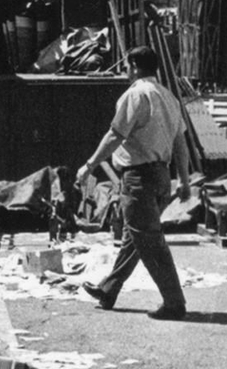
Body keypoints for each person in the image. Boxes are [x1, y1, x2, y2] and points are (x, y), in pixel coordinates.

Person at [74, 47, 190, 320]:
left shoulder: (136, 95)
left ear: (135, 66)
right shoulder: (169, 97)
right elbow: (180, 144)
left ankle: (174, 303)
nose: (125, 71)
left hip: (139, 178)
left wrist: (89, 165)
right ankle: (109, 289)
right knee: (134, 239)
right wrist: (183, 181)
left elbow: (115, 135)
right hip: (162, 177)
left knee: (149, 241)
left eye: (127, 66)